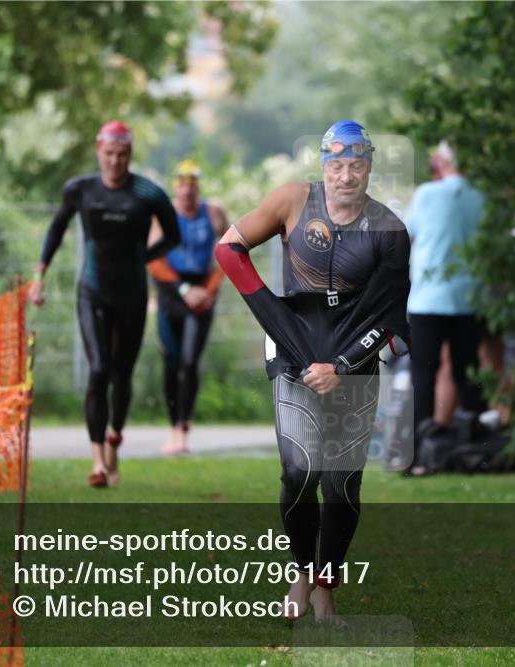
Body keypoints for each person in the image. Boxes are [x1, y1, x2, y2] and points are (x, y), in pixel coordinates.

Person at [215, 120, 410, 623]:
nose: (346, 175)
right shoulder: (292, 201)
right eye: (337, 165)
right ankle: (301, 572)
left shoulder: (389, 230)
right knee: (300, 470)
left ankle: (325, 588)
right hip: (294, 355)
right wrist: (272, 314)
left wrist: (342, 365)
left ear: (369, 168)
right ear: (324, 166)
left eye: (357, 165)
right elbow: (228, 249)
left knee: (342, 484)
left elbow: (389, 317)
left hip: (353, 363)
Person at [27, 120, 179, 488]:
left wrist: (143, 256)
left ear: (130, 155)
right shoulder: (80, 190)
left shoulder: (149, 193)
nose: (115, 161)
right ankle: (97, 462)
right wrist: (39, 274)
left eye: (122, 155)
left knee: (121, 376)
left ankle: (113, 443)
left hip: (132, 295)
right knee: (98, 370)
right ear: (99, 151)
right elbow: (56, 229)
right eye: (109, 154)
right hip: (92, 291)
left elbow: (173, 236)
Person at [405, 140, 496, 476]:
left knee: (423, 376)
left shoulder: (427, 194)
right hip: (470, 298)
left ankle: (418, 456)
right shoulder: (483, 198)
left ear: (441, 163)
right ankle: (477, 452)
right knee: (468, 375)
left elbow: (407, 236)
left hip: (427, 299)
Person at [147, 160, 228, 455]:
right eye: (182, 186)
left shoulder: (214, 212)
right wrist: (183, 289)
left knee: (190, 361)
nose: (187, 192)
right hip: (171, 291)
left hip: (202, 293)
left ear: (198, 188)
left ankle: (183, 428)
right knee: (171, 360)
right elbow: (152, 259)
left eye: (192, 186)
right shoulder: (163, 215)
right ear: (175, 188)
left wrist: (210, 288)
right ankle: (173, 429)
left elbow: (232, 250)